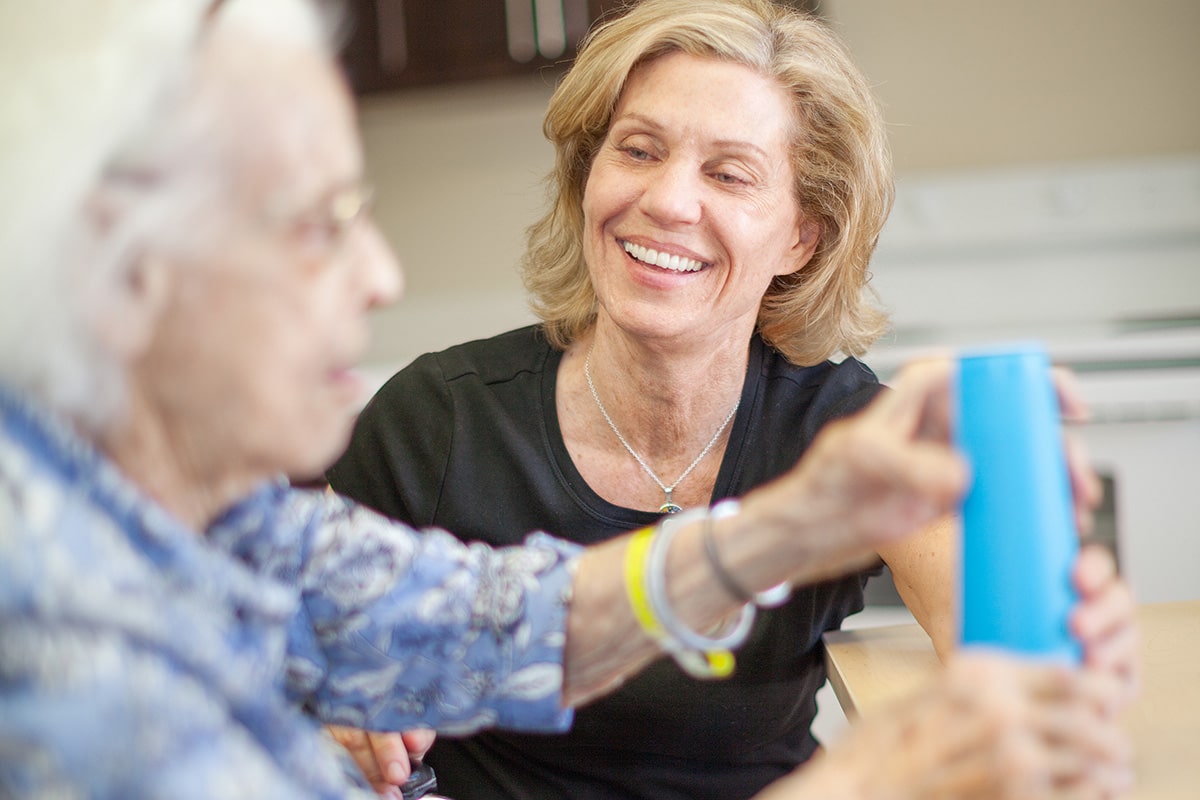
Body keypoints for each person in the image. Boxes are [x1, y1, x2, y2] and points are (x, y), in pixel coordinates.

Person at [0, 1, 1132, 799]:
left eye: (728, 171)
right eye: (316, 223)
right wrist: (880, 777)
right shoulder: (62, 654)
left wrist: (798, 520)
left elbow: (505, 624)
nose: (382, 274)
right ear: (127, 271)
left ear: (804, 235)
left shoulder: (221, 522)